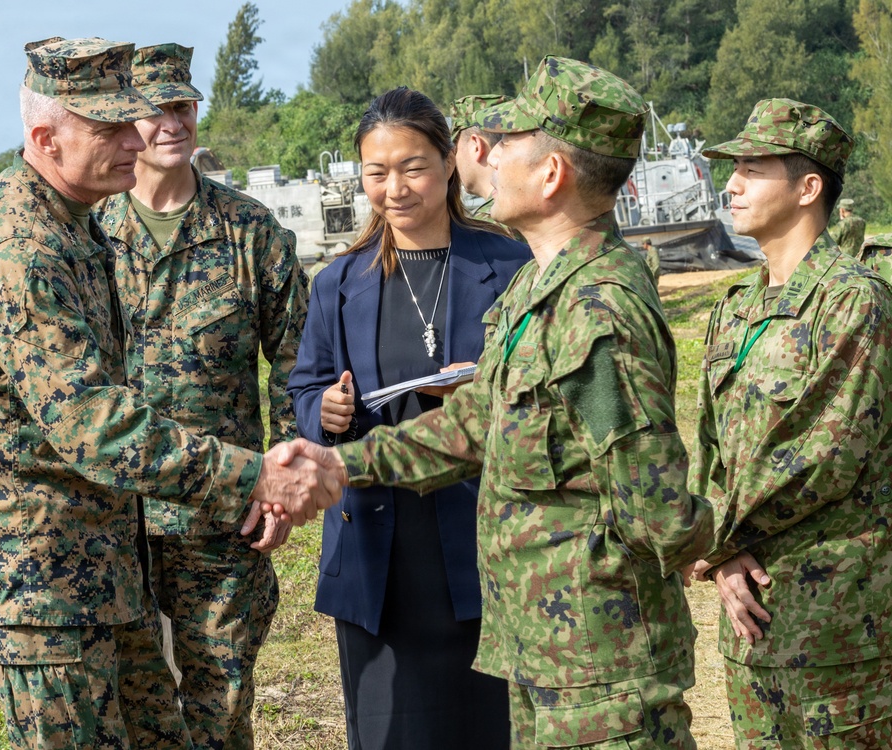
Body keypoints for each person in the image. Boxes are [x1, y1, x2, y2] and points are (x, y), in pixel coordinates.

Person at [278, 58, 712, 749]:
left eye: (507, 143)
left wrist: (718, 544)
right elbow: (472, 425)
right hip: (548, 643)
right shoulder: (541, 291)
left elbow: (655, 508)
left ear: (551, 175)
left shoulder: (594, 307)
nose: (486, 154)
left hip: (600, 659)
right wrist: (333, 464)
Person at [0, 37, 341, 749]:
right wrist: (255, 475)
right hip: (42, 587)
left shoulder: (74, 225)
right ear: (44, 138)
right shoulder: (21, 247)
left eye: (137, 119)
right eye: (110, 127)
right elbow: (92, 421)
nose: (136, 138)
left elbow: (289, 354)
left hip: (102, 569)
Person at [287, 86, 530, 750]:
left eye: (412, 166)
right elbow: (304, 388)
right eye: (377, 171)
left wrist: (487, 393)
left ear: (450, 163)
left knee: (491, 731)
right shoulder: (338, 283)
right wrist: (324, 412)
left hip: (482, 545)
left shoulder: (510, 266)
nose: (394, 187)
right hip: (376, 555)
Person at [96, 43, 307, 750]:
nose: (171, 124)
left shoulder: (249, 233)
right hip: (113, 520)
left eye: (182, 106)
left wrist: (278, 487)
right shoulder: (90, 233)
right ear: (129, 121)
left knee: (220, 711)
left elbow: (297, 362)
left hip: (221, 521)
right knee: (132, 711)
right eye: (155, 110)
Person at [689, 98, 892, 747]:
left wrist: (710, 535)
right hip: (751, 632)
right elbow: (711, 450)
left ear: (809, 187)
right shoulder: (737, 308)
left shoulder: (854, 301)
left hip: (839, 636)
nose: (732, 184)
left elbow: (824, 451)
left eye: (753, 167)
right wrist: (721, 555)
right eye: (733, 168)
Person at [450, 94, 510, 221]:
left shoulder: (489, 225)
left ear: (476, 146)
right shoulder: (529, 208)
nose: (453, 160)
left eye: (455, 149)